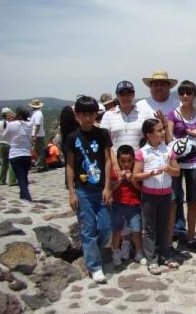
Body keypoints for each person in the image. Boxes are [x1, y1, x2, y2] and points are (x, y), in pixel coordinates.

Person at [66, 95, 113, 284]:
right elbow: (69, 165)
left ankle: (94, 254)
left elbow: (108, 160)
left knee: (105, 227)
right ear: (77, 115)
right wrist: (71, 191)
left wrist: (108, 187)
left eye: (91, 113)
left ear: (96, 114)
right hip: (82, 190)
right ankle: (94, 266)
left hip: (101, 187)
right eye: (84, 114)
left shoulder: (102, 134)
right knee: (88, 229)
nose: (88, 117)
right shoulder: (72, 138)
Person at [137, 70, 185, 244]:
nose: (158, 87)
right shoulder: (141, 105)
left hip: (170, 156)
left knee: (174, 197)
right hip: (147, 158)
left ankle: (175, 232)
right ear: (150, 87)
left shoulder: (177, 104)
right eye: (155, 84)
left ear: (169, 87)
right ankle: (151, 234)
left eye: (162, 84)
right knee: (148, 199)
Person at [100, 80, 146, 259]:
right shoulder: (109, 116)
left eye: (129, 93)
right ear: (117, 96)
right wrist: (117, 166)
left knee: (135, 206)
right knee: (118, 206)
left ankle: (133, 244)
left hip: (138, 165)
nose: (125, 97)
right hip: (116, 165)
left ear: (133, 94)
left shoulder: (142, 113)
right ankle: (124, 243)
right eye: (122, 94)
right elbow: (106, 142)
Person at [132, 118, 181, 275]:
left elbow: (177, 171)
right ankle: (152, 259)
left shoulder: (167, 150)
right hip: (149, 196)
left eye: (162, 129)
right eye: (159, 130)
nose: (163, 132)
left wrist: (168, 169)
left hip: (166, 194)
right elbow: (136, 175)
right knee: (150, 228)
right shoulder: (142, 153)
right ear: (149, 135)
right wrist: (151, 173)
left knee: (164, 227)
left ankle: (166, 255)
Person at [167, 80, 196, 252]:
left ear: (194, 95)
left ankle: (190, 238)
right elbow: (169, 139)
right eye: (182, 92)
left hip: (194, 162)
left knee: (192, 201)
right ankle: (168, 240)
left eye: (188, 93)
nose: (185, 96)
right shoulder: (172, 114)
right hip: (176, 161)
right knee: (174, 200)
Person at [110, 145, 145, 266]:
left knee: (136, 229)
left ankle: (139, 253)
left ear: (134, 160)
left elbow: (141, 189)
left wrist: (133, 180)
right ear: (118, 160)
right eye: (123, 161)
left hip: (133, 204)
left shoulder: (137, 170)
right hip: (117, 204)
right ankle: (115, 252)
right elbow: (111, 188)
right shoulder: (114, 172)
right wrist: (120, 179)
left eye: (129, 161)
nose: (126, 164)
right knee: (117, 231)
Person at [1, 107, 34, 201]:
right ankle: (22, 195)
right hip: (27, 154)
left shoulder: (12, 124)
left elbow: (5, 136)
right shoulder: (30, 124)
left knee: (20, 177)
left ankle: (27, 196)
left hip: (15, 153)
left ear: (18, 115)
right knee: (24, 175)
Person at [0, 107, 17, 186]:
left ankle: (2, 180)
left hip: (1, 143)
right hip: (9, 144)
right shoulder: (10, 124)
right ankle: (12, 181)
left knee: (4, 163)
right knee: (12, 162)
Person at [59, 106, 80, 188]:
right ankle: (75, 180)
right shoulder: (75, 122)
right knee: (75, 163)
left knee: (67, 164)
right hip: (74, 142)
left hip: (65, 143)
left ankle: (67, 182)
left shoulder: (62, 122)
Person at [29, 99, 48, 172]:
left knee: (38, 151)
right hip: (38, 134)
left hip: (38, 135)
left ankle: (39, 167)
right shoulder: (36, 113)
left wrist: (35, 135)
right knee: (40, 151)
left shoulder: (38, 114)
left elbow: (37, 125)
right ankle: (44, 166)